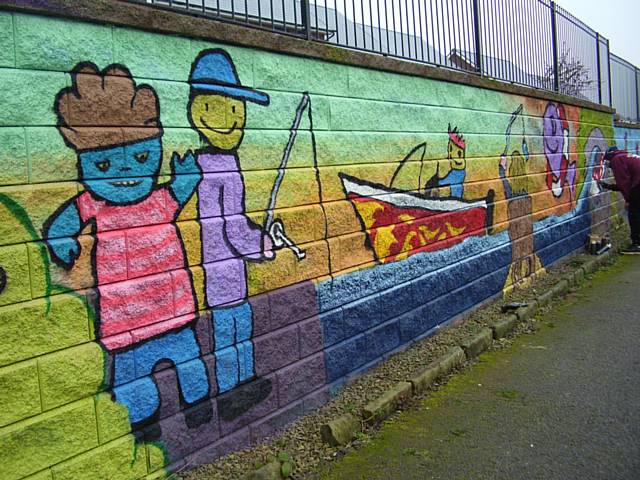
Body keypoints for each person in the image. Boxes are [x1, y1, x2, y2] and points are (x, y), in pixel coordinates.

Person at [599, 146, 640, 254]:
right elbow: (627, 182)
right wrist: (609, 186)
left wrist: (628, 200)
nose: (609, 167)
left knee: (634, 214)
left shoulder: (616, 160)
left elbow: (624, 183)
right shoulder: (625, 155)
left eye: (607, 163)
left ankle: (637, 244)